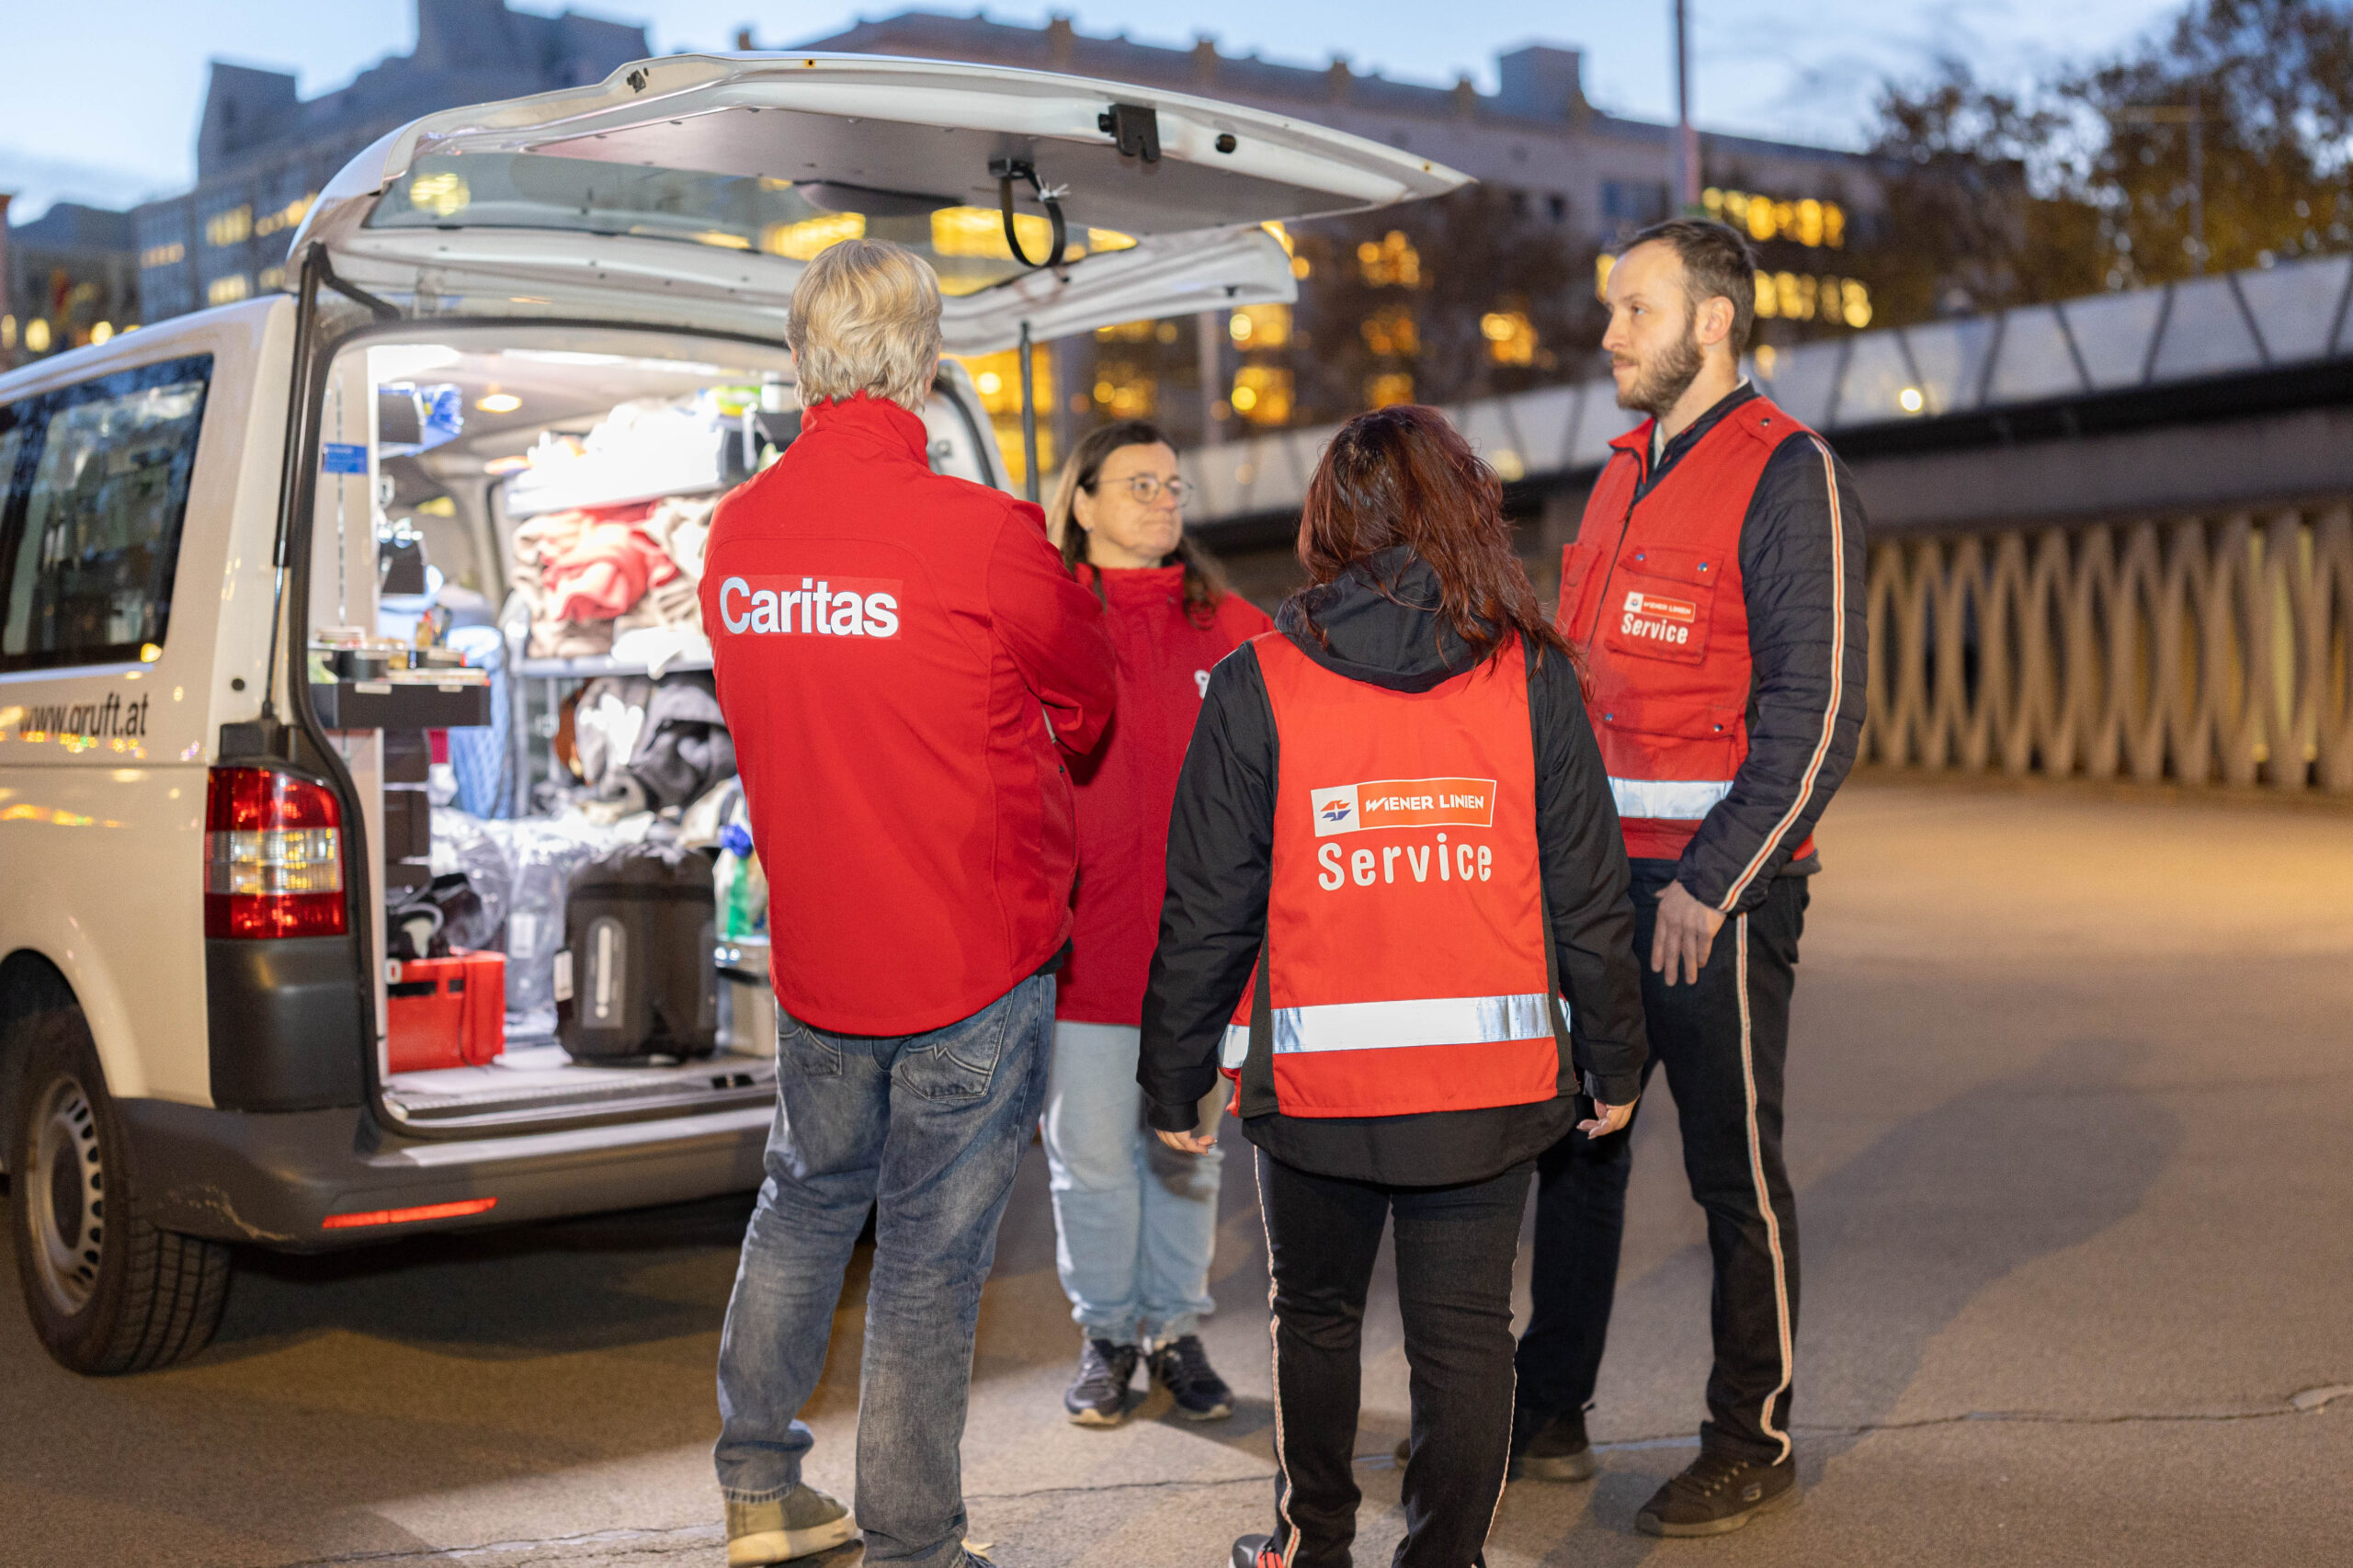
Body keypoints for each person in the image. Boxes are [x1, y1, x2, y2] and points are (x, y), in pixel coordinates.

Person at [1139, 404, 1650, 1568]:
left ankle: (1311, 1548)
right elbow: (1588, 890)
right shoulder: (1531, 679)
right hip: (1487, 1089)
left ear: (1329, 520)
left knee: (1311, 1317)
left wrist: (1173, 1073)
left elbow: (1206, 906)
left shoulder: (1259, 684)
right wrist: (1613, 1058)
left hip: (1315, 1092)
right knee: (1465, 1337)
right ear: (1466, 509)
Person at [700, 238, 1117, 1568]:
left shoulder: (738, 535)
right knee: (931, 1262)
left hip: (821, 956)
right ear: (928, 366)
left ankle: (760, 1487)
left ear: (800, 361)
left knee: (803, 1205)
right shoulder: (981, 536)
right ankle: (913, 1545)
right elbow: (1090, 705)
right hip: (971, 958)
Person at [1511, 217, 1868, 1536]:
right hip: (1602, 892)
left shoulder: (1792, 478)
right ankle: (1548, 1411)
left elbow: (1819, 717)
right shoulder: (1616, 475)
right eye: (1611, 309)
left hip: (1710, 901)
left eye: (1635, 309)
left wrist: (1710, 883)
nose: (1610, 333)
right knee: (1579, 1150)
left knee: (1734, 1171)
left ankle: (1750, 1433)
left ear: (1713, 320)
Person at [1040, 420, 1273, 1426]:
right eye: (1139, 483)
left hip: (1201, 961)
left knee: (1187, 1154)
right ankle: (1107, 1335)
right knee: (1090, 1157)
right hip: (1081, 954)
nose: (1164, 499)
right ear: (1081, 501)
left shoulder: (1233, 629)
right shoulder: (1043, 623)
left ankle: (1175, 1329)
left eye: (1174, 484)